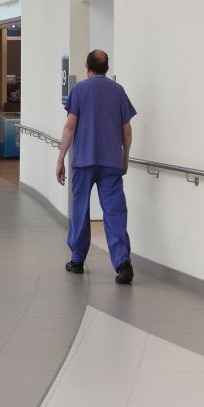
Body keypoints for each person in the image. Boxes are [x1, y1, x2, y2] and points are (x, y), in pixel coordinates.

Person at [56, 49, 136, 285]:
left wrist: (60, 158)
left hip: (83, 161)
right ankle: (122, 263)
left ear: (87, 67)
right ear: (107, 67)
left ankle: (78, 260)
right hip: (111, 160)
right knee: (115, 211)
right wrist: (126, 157)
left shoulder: (80, 90)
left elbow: (70, 126)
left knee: (80, 208)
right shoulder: (118, 90)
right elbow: (127, 130)